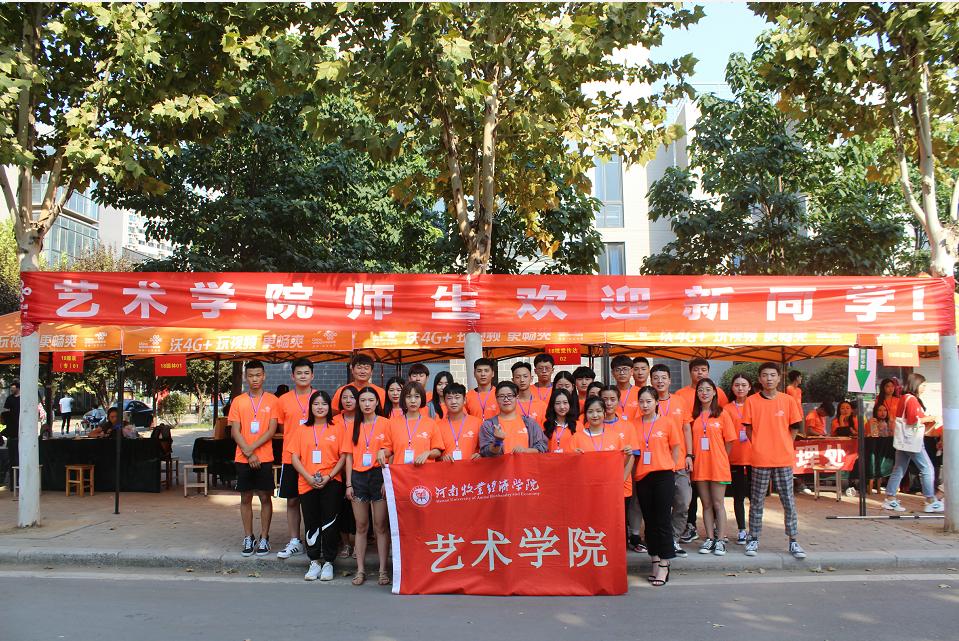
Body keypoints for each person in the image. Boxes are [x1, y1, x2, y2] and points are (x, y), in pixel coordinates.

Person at [741, 362, 806, 559]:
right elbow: (748, 429)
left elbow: (794, 428)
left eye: (772, 375)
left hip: (783, 459)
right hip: (760, 459)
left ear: (779, 378)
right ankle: (754, 538)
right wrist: (759, 445)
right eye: (765, 375)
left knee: (788, 501)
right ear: (759, 379)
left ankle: (793, 540)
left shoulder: (788, 400)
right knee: (757, 501)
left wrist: (784, 444)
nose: (769, 379)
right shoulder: (751, 401)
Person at [288, 390, 346, 581]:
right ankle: (314, 561)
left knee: (330, 522)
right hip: (307, 483)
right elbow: (294, 457)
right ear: (310, 407)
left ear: (329, 407)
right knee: (311, 522)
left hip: (332, 482)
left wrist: (329, 476)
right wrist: (308, 477)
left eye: (324, 404)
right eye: (316, 404)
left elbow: (343, 456)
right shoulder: (301, 429)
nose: (320, 407)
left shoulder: (337, 428)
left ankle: (329, 562)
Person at [228, 360, 279, 557]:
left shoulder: (273, 400)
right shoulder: (238, 401)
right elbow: (235, 431)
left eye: (258, 375)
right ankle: (248, 537)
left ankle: (264, 538)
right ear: (245, 377)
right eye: (251, 376)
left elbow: (271, 430)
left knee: (265, 497)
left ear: (264, 376)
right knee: (246, 497)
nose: (255, 379)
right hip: (243, 458)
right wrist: (248, 453)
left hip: (264, 457)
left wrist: (252, 450)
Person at [633, 386, 681, 587]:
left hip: (663, 475)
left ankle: (665, 562)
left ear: (656, 402)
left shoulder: (667, 422)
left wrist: (671, 468)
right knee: (650, 521)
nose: (644, 405)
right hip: (643, 476)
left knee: (662, 520)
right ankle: (654, 559)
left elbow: (675, 448)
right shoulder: (634, 424)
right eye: (641, 401)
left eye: (648, 401)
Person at [344, 387, 391, 586]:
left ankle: (382, 570)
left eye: (371, 400)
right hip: (358, 478)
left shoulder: (386, 423)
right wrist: (348, 484)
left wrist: (387, 479)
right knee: (361, 525)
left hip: (379, 476)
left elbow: (391, 451)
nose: (367, 404)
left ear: (377, 402)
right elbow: (348, 456)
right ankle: (360, 570)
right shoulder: (353, 425)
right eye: (363, 400)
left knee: (380, 525)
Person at [882, 373, 943, 513]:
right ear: (916, 384)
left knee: (899, 468)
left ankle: (890, 498)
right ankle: (930, 500)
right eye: (923, 385)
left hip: (904, 440)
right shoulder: (911, 399)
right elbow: (913, 420)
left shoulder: (904, 398)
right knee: (927, 468)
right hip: (912, 440)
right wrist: (932, 418)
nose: (924, 388)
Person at [649, 364, 693, 555]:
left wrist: (690, 454)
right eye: (656, 378)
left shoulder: (680, 401)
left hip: (678, 462)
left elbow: (686, 429)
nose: (660, 381)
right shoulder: (647, 401)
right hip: (656, 464)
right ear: (651, 380)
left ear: (669, 380)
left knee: (683, 501)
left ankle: (674, 538)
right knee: (659, 505)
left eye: (663, 378)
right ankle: (661, 539)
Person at [274, 358, 316, 560]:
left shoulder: (319, 397)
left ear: (312, 375)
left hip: (315, 459)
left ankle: (314, 539)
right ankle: (294, 541)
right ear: (292, 376)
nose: (303, 376)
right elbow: (283, 428)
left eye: (306, 373)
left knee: (313, 501)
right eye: (299, 373)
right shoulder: (283, 400)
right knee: (292, 500)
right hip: (291, 457)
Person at [691, 378, 737, 556]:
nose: (704, 393)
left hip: (718, 465)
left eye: (708, 389)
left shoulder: (722, 414)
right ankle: (710, 538)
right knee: (706, 504)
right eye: (700, 390)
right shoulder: (694, 416)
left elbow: (729, 441)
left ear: (714, 392)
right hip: (700, 465)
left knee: (718, 503)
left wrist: (721, 457)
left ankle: (720, 539)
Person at [379, 381, 443, 467]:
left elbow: (438, 451)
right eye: (408, 397)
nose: (413, 401)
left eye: (417, 397)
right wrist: (381, 452)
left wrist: (428, 453)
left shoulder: (431, 423)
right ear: (403, 399)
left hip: (424, 472)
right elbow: (388, 450)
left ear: (422, 398)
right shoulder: (393, 423)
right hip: (401, 472)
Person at [723, 373, 753, 545]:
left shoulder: (755, 404)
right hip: (734, 457)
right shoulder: (727, 409)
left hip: (755, 457)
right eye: (737, 385)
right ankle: (742, 529)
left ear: (749, 387)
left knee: (755, 497)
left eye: (743, 385)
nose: (740, 388)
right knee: (738, 496)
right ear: (732, 388)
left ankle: (754, 529)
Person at [479, 381, 548, 456]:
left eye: (510, 395)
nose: (506, 399)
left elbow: (543, 447)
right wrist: (498, 441)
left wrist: (525, 451)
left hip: (526, 463)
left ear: (517, 398)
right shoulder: (489, 425)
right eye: (501, 396)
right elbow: (485, 453)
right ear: (496, 398)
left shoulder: (530, 423)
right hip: (501, 464)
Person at [333, 386, 360, 559]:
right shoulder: (333, 420)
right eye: (345, 397)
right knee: (341, 508)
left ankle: (358, 544)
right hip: (337, 470)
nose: (348, 400)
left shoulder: (362, 419)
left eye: (352, 397)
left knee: (358, 510)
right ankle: (345, 544)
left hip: (358, 469)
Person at [439, 383, 482, 461]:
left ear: (464, 400)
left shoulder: (477, 423)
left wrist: (480, 455)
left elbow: (485, 449)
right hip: (447, 468)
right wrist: (442, 458)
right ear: (444, 401)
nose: (453, 401)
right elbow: (435, 456)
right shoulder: (438, 426)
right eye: (449, 398)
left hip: (471, 467)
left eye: (457, 397)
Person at [865, 402, 893, 494]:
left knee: (882, 465)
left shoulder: (889, 422)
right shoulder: (873, 421)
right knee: (873, 465)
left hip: (885, 446)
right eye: (880, 410)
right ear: (876, 412)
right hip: (873, 446)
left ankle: (879, 488)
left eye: (885, 410)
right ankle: (870, 487)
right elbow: (874, 434)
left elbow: (891, 434)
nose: (883, 412)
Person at [543, 388, 577, 453]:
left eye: (565, 403)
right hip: (551, 459)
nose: (562, 407)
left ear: (570, 404)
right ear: (552, 405)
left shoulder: (578, 425)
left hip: (571, 459)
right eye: (558, 403)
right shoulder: (546, 425)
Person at [610, 355, 640, 420]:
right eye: (618, 370)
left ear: (632, 371)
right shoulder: (609, 393)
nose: (622, 373)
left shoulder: (640, 392)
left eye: (625, 369)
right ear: (612, 373)